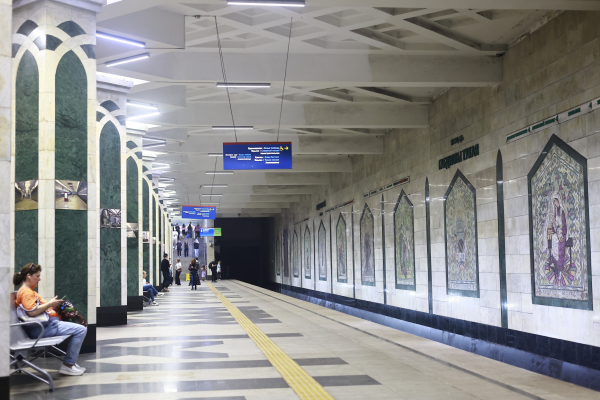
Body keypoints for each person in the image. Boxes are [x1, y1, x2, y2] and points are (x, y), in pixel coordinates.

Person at [13, 263, 88, 376]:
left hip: (44, 326)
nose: (39, 279)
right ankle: (68, 365)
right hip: (41, 328)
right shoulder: (26, 292)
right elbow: (32, 312)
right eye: (37, 276)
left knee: (79, 328)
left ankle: (70, 363)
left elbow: (39, 308)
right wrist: (50, 304)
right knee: (81, 330)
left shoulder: (28, 291)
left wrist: (52, 305)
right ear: (29, 276)